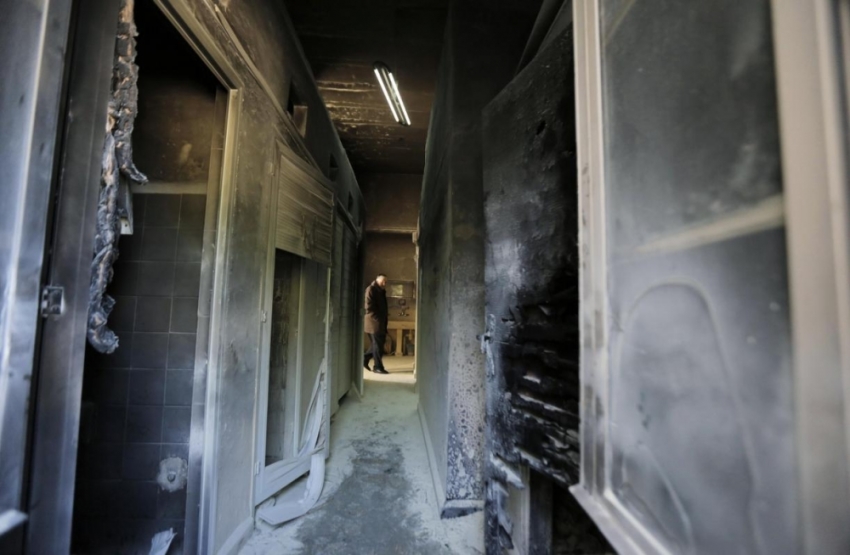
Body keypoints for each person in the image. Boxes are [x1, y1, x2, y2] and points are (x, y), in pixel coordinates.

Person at [363, 274, 389, 374]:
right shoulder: (371, 289)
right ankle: (378, 367)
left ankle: (364, 359)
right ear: (377, 280)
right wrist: (378, 319)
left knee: (377, 345)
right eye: (383, 281)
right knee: (378, 346)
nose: (384, 283)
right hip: (374, 323)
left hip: (379, 322)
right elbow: (368, 306)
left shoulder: (381, 290)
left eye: (386, 281)